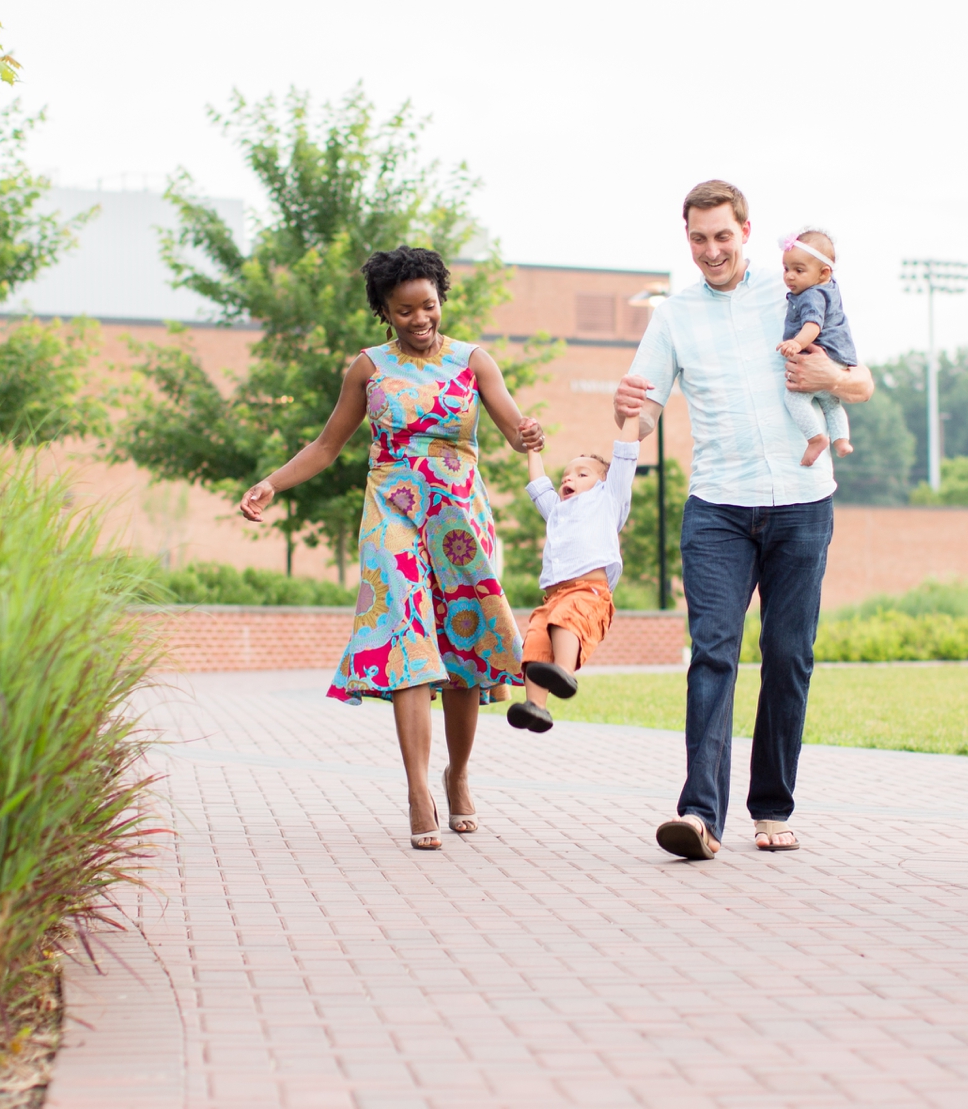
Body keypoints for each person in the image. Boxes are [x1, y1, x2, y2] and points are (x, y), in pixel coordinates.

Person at [237, 246, 544, 851]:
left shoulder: (473, 361)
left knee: (461, 641)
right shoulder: (368, 369)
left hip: (457, 517)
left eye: (427, 305)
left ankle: (457, 776)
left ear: (440, 300)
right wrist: (272, 481)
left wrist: (527, 433)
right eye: (404, 310)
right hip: (391, 514)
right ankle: (416, 789)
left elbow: (513, 429)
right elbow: (327, 446)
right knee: (404, 636)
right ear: (384, 310)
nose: (419, 318)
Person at [614, 181, 874, 859]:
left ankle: (771, 808)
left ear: (747, 231)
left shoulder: (794, 294)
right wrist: (627, 411)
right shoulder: (673, 316)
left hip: (803, 501)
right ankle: (700, 816)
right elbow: (644, 411)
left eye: (722, 236)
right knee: (714, 653)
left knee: (788, 657)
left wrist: (832, 383)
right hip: (718, 510)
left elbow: (862, 381)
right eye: (698, 239)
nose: (711, 250)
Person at [506, 410, 644, 733]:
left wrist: (632, 417)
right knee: (536, 639)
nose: (569, 479)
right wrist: (532, 448)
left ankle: (564, 672)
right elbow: (539, 484)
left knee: (565, 619)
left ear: (604, 483)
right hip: (553, 597)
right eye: (567, 475)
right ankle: (536, 706)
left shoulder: (609, 500)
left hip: (589, 593)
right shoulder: (557, 511)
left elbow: (624, 458)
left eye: (583, 474)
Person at [775, 228, 858, 468]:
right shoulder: (829, 287)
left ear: (823, 273)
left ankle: (816, 438)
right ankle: (842, 441)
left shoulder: (811, 295)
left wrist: (796, 342)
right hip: (838, 358)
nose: (790, 277)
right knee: (831, 404)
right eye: (786, 269)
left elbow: (813, 325)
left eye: (799, 270)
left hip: (818, 358)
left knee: (794, 398)